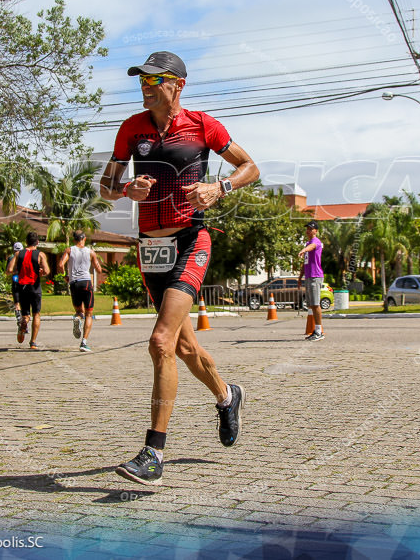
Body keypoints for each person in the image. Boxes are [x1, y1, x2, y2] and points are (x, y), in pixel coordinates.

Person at [99, 50, 259, 486]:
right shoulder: (131, 130)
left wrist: (220, 187)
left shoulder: (203, 125)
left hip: (191, 240)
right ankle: (228, 397)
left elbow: (250, 166)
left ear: (177, 84)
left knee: (161, 341)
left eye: (155, 80)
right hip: (151, 249)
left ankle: (153, 453)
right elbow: (106, 186)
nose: (146, 87)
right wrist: (126, 189)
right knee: (184, 349)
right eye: (142, 81)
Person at [58, 230, 104, 352]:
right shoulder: (90, 252)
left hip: (74, 283)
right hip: (86, 282)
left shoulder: (69, 250)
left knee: (79, 311)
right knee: (89, 314)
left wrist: (65, 276)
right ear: (84, 239)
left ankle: (78, 318)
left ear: (74, 240)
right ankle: (84, 342)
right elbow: (99, 270)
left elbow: (61, 264)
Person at [6, 231, 50, 349]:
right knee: (36, 314)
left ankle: (23, 323)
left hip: (22, 287)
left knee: (25, 315)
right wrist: (40, 272)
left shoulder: (18, 254)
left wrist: (18, 271)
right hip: (35, 287)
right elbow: (47, 271)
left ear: (26, 242)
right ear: (37, 242)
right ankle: (33, 342)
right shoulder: (40, 255)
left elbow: (9, 270)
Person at [298, 220, 324, 341]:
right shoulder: (308, 243)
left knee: (315, 304)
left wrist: (304, 250)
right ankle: (316, 330)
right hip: (309, 276)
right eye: (307, 229)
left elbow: (312, 246)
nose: (308, 231)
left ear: (316, 230)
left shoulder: (316, 242)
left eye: (311, 228)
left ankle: (319, 331)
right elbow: (305, 264)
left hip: (315, 276)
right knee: (311, 305)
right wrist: (300, 277)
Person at [10, 241, 23, 326]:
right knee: (23, 303)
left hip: (16, 281)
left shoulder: (11, 258)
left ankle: (19, 317)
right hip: (24, 282)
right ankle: (22, 320)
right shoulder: (25, 257)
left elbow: (9, 271)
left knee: (17, 302)